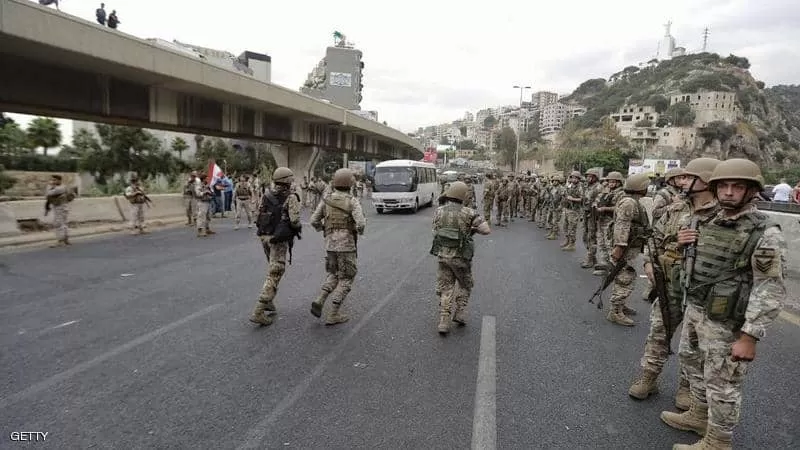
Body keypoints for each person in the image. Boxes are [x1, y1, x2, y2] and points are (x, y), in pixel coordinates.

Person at [660, 159, 786, 450]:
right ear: (715, 189)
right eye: (723, 186)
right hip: (697, 309)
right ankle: (699, 416)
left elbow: (770, 289)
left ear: (751, 191)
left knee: (723, 384)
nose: (729, 192)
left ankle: (718, 441)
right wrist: (682, 244)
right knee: (692, 365)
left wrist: (749, 337)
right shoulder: (706, 222)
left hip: (727, 322)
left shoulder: (764, 233)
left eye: (737, 186)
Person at [629, 158, 721, 409]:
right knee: (658, 332)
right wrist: (648, 263)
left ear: (707, 181)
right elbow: (655, 238)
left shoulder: (722, 216)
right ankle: (649, 377)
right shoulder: (675, 209)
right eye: (682, 177)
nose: (682, 181)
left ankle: (686, 387)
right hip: (669, 283)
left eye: (688, 177)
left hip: (701, 290)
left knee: (693, 345)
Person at [430, 181, 491, 334]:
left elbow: (435, 230)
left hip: (443, 256)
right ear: (464, 196)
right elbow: (486, 230)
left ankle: (444, 320)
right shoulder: (469, 212)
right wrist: (473, 229)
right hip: (461, 258)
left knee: (446, 287)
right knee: (465, 284)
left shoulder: (439, 211)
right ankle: (460, 313)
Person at [309, 169, 366, 325]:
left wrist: (325, 230)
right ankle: (333, 313)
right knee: (347, 277)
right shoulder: (352, 201)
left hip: (330, 244)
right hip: (347, 245)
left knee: (333, 274)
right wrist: (359, 231)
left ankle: (320, 299)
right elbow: (360, 223)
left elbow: (313, 220)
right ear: (350, 184)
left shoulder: (326, 199)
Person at [250, 167, 301, 326]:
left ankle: (269, 301)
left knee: (272, 267)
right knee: (276, 271)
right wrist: (297, 227)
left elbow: (256, 214)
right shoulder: (290, 197)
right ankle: (258, 310)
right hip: (278, 239)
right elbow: (294, 220)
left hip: (264, 237)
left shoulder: (266, 194)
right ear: (287, 180)